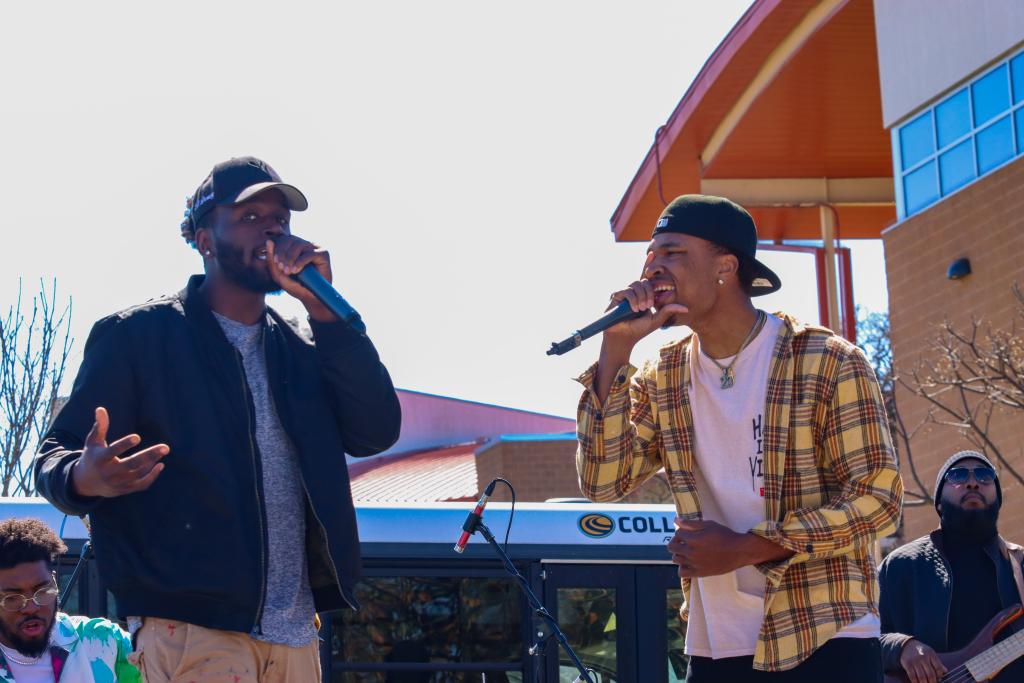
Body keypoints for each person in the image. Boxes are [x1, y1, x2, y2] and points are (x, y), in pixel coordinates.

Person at [35, 156, 402, 682]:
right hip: (190, 632)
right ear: (205, 238)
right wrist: (83, 477)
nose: (273, 228)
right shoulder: (139, 337)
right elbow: (54, 455)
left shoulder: (303, 348)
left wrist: (328, 318)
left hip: (297, 637)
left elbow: (376, 432)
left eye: (280, 219)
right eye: (251, 216)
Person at [574, 195, 903, 681]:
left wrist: (750, 547)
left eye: (671, 253)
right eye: (649, 256)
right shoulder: (662, 374)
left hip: (824, 633)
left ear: (726, 266)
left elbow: (878, 501)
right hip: (717, 643)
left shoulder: (826, 360)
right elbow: (602, 483)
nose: (652, 269)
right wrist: (616, 348)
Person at [879, 450, 1024, 683]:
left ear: (998, 498)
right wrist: (901, 647)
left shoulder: (1020, 565)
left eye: (984, 475)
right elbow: (858, 640)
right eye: (957, 475)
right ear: (938, 501)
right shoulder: (900, 566)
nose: (973, 483)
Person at [0, 518, 139, 682]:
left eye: (42, 591)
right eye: (13, 598)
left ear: (54, 581)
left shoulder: (103, 641)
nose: (31, 607)